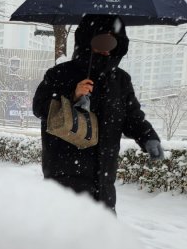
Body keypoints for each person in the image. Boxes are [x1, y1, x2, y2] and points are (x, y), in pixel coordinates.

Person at [32, 15, 163, 211]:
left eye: (112, 41)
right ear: (87, 39)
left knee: (101, 237)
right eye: (101, 40)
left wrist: (148, 137)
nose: (106, 47)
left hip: (103, 178)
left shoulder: (120, 80)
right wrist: (72, 95)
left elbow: (132, 117)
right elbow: (39, 108)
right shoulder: (60, 74)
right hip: (64, 175)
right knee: (62, 235)